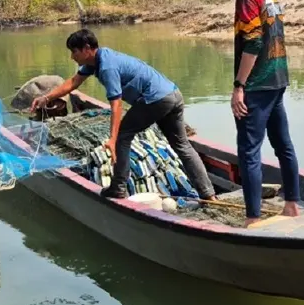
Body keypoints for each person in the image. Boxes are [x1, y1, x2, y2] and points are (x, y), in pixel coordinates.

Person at [29, 28, 217, 201]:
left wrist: (112, 139)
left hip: (156, 99)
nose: (72, 57)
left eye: (74, 51)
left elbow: (116, 105)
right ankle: (208, 194)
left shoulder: (107, 67)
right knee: (182, 145)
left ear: (86, 49)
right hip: (173, 95)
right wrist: (46, 97)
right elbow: (73, 82)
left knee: (123, 136)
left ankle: (118, 187)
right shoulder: (97, 60)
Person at [210, 0, 301, 226]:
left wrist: (239, 85)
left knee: (248, 152)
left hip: (258, 84)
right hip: (278, 79)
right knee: (283, 145)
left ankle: (252, 219)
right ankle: (291, 206)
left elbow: (254, 43)